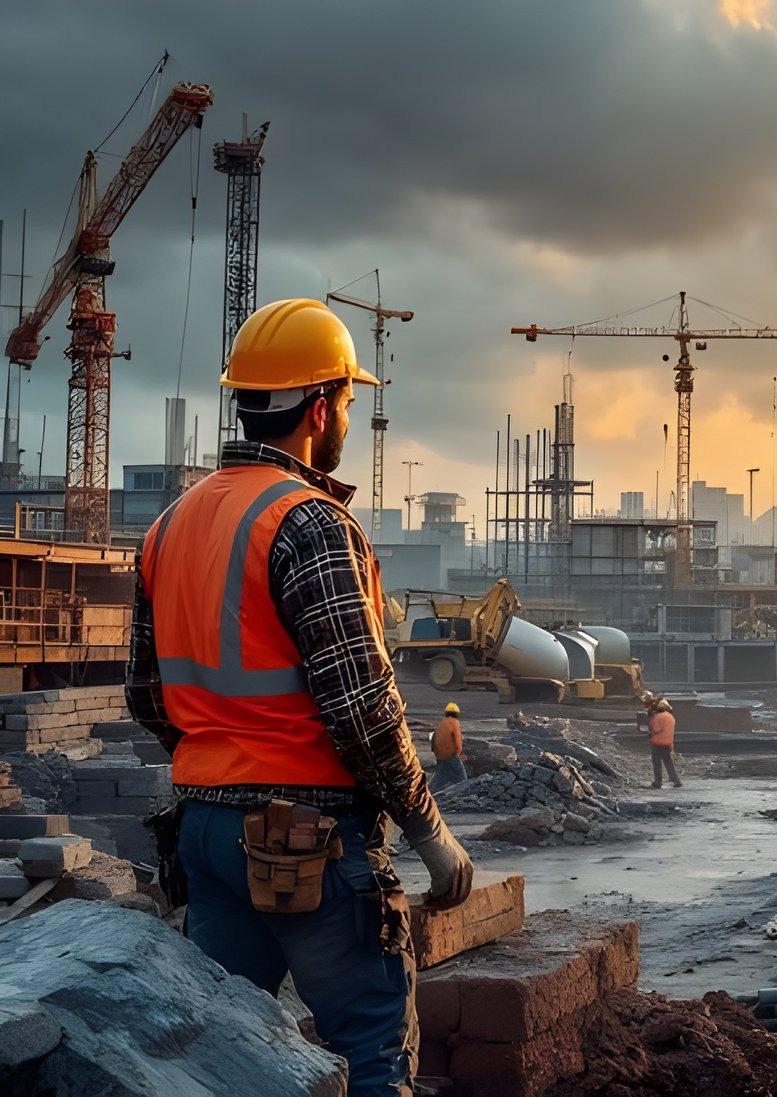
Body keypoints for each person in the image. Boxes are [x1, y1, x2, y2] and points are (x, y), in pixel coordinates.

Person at [127, 298, 472, 1097]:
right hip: (307, 839)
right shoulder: (308, 522)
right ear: (318, 409)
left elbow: (148, 695)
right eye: (347, 400)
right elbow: (363, 706)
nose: (347, 413)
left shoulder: (170, 523)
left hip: (207, 832)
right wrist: (431, 830)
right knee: (375, 1054)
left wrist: (219, 761)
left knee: (226, 1053)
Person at [645, 694, 682, 789]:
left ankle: (658, 783)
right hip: (667, 742)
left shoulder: (658, 717)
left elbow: (656, 729)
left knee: (657, 763)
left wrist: (651, 727)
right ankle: (676, 781)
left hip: (658, 742)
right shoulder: (670, 717)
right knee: (668, 762)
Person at [430, 702, 466, 792]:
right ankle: (465, 791)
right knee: (461, 775)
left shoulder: (443, 722)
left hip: (439, 754)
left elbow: (434, 737)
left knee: (440, 776)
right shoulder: (454, 722)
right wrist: (457, 754)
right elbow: (458, 740)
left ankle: (430, 791)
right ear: (457, 714)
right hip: (449, 755)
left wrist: (435, 751)